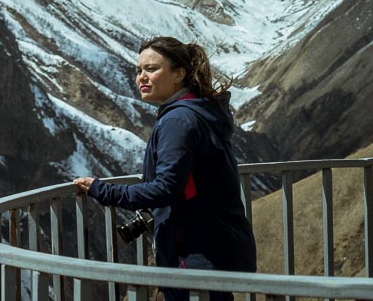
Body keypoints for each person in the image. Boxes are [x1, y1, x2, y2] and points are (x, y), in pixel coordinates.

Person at [73, 36, 256, 301]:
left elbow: (166, 188)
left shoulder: (179, 120)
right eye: (139, 70)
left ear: (179, 74)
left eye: (152, 69)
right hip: (210, 250)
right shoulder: (198, 112)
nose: (142, 78)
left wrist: (105, 191)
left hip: (195, 255)